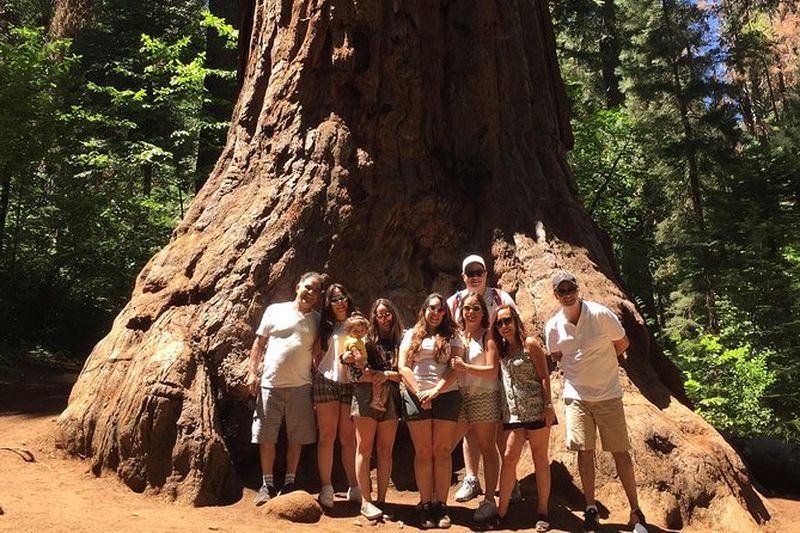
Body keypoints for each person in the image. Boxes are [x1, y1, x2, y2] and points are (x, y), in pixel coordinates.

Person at [545, 271, 648, 533]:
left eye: (571, 289)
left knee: (620, 451)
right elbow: (557, 355)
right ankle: (590, 508)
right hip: (577, 397)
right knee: (584, 451)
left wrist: (601, 364)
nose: (567, 295)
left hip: (608, 394)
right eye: (562, 291)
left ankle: (636, 512)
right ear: (556, 295)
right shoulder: (553, 326)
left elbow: (622, 343)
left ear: (577, 289)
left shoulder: (600, 314)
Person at [446, 254, 520, 504]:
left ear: (487, 274)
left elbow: (515, 330)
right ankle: (471, 478)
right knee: (470, 430)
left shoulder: (501, 298)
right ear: (463, 276)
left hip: (499, 371)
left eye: (480, 272)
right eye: (471, 273)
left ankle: (509, 479)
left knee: (498, 430)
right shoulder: (454, 302)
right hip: (465, 379)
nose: (475, 277)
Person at [247, 271, 323, 506]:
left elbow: (318, 354)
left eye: (316, 290)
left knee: (296, 437)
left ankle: (290, 481)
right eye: (308, 287)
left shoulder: (318, 320)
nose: (311, 293)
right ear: (298, 286)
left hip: (301, 385)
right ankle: (267, 483)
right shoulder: (275, 310)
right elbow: (259, 343)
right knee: (266, 436)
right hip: (270, 384)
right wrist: (252, 372)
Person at [399, 293, 465, 529]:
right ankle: (426, 504)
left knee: (443, 450)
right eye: (432, 308)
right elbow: (403, 367)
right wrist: (420, 393)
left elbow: (456, 368)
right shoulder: (411, 334)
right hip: (416, 395)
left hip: (446, 395)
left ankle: (441, 505)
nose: (436, 313)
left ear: (445, 312)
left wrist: (436, 391)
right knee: (424, 450)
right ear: (424, 309)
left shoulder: (453, 335)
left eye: (440, 309)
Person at [492, 304, 556, 531]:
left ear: (515, 321)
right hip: (515, 414)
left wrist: (548, 405)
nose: (504, 326)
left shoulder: (530, 344)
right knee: (509, 457)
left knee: (540, 458)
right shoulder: (502, 350)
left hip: (537, 410)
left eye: (507, 320)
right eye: (499, 323)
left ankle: (543, 511)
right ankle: (501, 511)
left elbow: (544, 376)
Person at [449, 293, 502, 523]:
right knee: (452, 442)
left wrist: (465, 367)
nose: (471, 313)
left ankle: (489, 500)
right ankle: (466, 483)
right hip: (461, 395)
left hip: (485, 395)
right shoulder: (458, 335)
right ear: (461, 311)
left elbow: (492, 370)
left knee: (487, 446)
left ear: (483, 312)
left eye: (476, 309)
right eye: (467, 308)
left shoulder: (488, 335)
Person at [351, 299, 405, 521]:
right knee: (364, 448)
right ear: (373, 317)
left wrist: (385, 375)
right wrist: (378, 376)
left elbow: (405, 373)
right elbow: (355, 374)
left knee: (385, 450)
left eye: (387, 314)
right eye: (379, 315)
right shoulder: (364, 339)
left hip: (391, 397)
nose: (384, 319)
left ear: (393, 315)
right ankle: (366, 501)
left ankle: (382, 500)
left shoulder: (401, 340)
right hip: (365, 396)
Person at [314, 283, 360, 509]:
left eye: (342, 297)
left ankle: (355, 486)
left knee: (348, 438)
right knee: (327, 435)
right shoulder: (325, 327)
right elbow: (316, 353)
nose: (339, 302)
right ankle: (326, 486)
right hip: (326, 380)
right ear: (329, 305)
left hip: (350, 383)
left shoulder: (357, 322)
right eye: (334, 300)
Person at [341, 312, 386, 411]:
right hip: (357, 370)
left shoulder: (359, 341)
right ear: (349, 331)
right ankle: (376, 401)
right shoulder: (353, 342)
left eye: (362, 330)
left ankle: (376, 400)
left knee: (378, 377)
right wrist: (363, 368)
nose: (359, 333)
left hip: (359, 368)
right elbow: (357, 355)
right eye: (355, 331)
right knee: (377, 379)